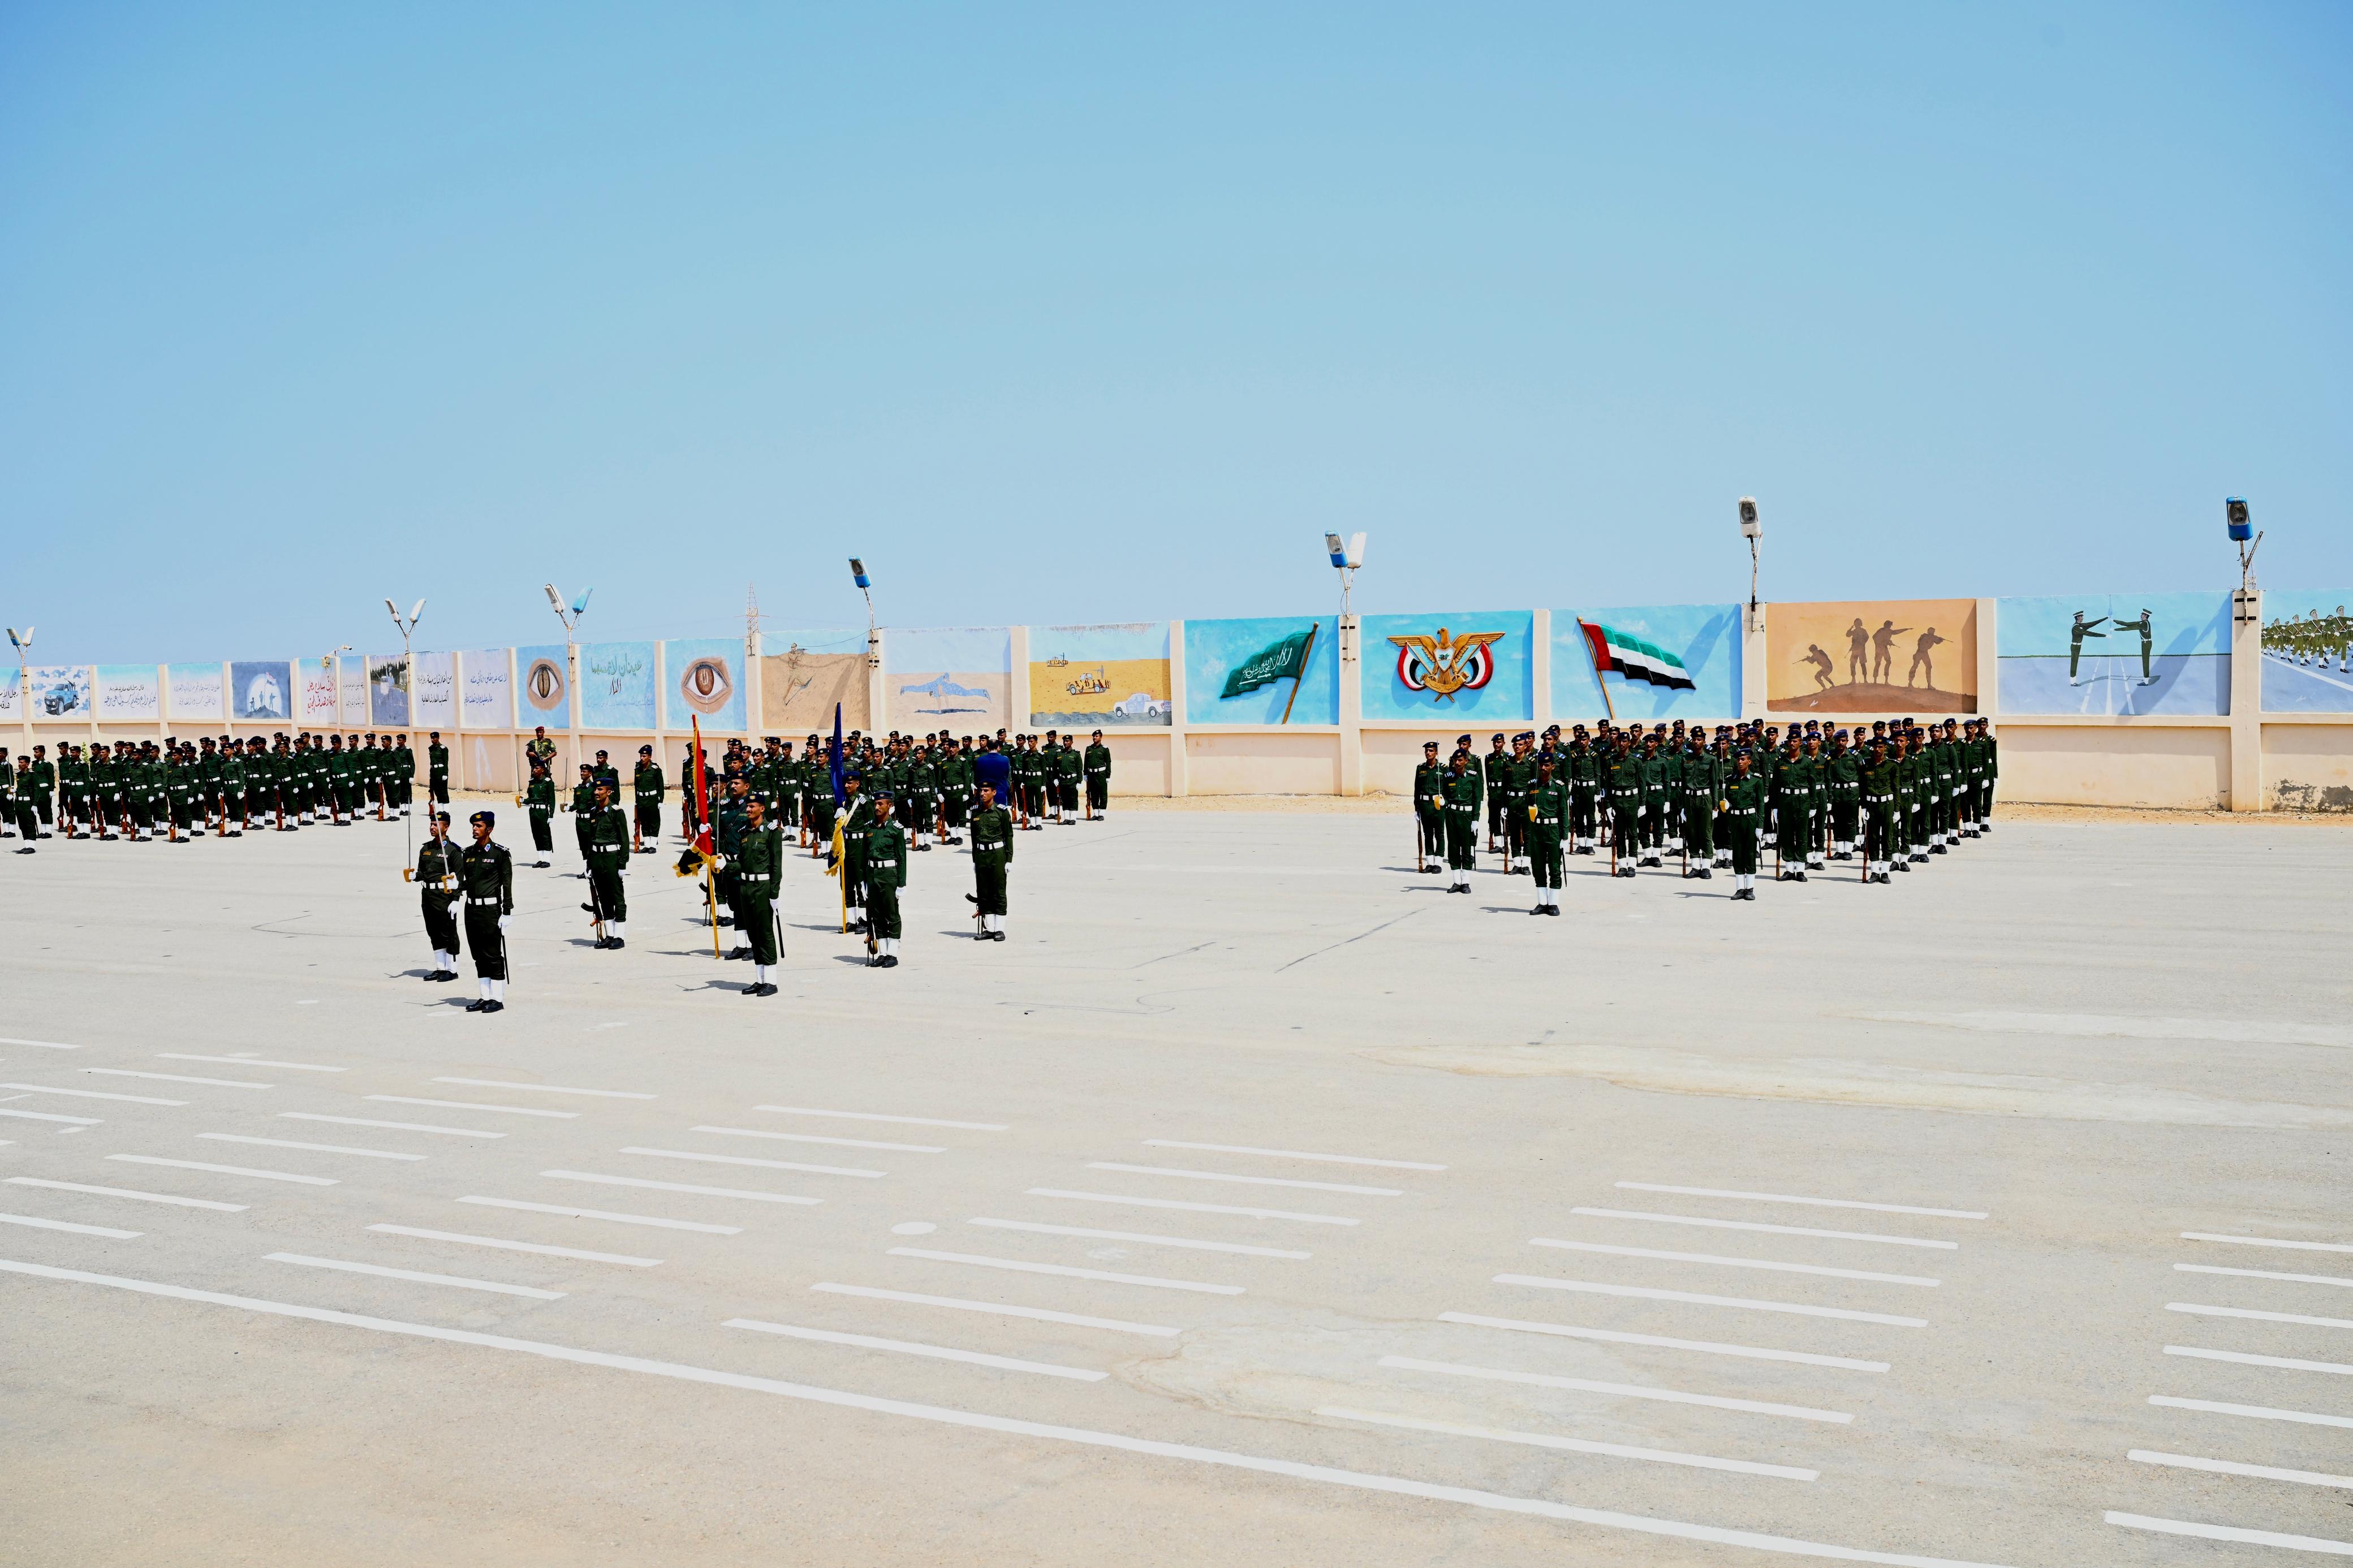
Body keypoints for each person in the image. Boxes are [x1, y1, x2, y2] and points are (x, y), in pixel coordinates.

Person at [714, 795, 784, 994]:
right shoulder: (745, 833)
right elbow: (741, 864)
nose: (749, 809)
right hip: (745, 888)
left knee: (765, 934)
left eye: (752, 806)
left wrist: (774, 894)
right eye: (748, 806)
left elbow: (777, 867)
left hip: (762, 888)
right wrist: (726, 865)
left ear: (762, 808)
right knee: (753, 934)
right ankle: (760, 979)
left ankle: (771, 981)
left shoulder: (771, 833)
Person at [458, 811, 514, 1012]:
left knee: (492, 954)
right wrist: (453, 887)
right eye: (473, 825)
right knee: (478, 954)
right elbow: (467, 883)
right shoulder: (468, 853)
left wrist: (507, 911)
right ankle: (485, 996)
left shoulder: (500, 854)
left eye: (479, 826)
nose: (475, 829)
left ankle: (497, 999)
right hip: (471, 909)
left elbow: (507, 884)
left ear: (489, 829)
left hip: (491, 910)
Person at [581, 780, 631, 949]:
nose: (596, 792)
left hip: (611, 858)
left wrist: (623, 864)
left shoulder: (616, 812)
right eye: (595, 789)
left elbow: (624, 839)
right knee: (603, 898)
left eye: (600, 789)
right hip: (596, 859)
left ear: (609, 792)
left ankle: (620, 936)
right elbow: (590, 840)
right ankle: (610, 935)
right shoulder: (594, 812)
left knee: (617, 897)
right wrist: (588, 864)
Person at [413, 811, 462, 979]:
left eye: (436, 825)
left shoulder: (454, 851)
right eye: (431, 824)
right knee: (433, 931)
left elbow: (459, 878)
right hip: (428, 894)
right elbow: (422, 872)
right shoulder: (426, 848)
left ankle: (452, 969)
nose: (432, 827)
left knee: (448, 932)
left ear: (446, 827)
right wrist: (415, 876)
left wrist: (456, 899)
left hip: (444, 895)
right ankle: (440, 967)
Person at [865, 792, 908, 967]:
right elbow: (863, 856)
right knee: (876, 915)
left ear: (889, 806)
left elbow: (902, 858)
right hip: (872, 875)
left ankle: (893, 953)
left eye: (880, 804)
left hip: (889, 876)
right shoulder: (869, 828)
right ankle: (882, 953)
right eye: (875, 804)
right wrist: (863, 881)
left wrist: (902, 884)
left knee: (891, 914)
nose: (876, 807)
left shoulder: (896, 829)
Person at [968, 780, 1013, 940]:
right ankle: (990, 928)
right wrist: (974, 860)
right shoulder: (975, 812)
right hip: (981, 855)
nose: (982, 794)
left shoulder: (1002, 812)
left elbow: (1009, 836)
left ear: (994, 792)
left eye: (986, 790)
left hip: (998, 855)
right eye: (981, 791)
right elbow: (974, 838)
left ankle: (999, 929)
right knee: (984, 892)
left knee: (998, 892)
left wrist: (1009, 859)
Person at [1524, 755, 1568, 915]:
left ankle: (1554, 903)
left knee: (1555, 868)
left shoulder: (1558, 787)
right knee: (1538, 867)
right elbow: (1525, 809)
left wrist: (1565, 836)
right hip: (1537, 831)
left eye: (1547, 765)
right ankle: (1543, 902)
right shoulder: (1531, 786)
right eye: (1541, 765)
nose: (1543, 768)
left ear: (1553, 767)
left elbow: (1564, 812)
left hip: (1553, 831)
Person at [1721, 752, 1765, 900]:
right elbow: (1727, 801)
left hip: (1750, 819)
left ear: (1749, 762)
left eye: (1743, 759)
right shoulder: (1730, 780)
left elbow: (1760, 804)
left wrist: (1760, 826)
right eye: (1738, 759)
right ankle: (1740, 888)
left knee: (1750, 853)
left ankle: (1750, 888)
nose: (1740, 762)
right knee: (1738, 853)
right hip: (1735, 819)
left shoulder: (1756, 781)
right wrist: (1726, 805)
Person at [1440, 749, 1481, 893]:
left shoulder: (1473, 777)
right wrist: (1442, 801)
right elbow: (1444, 795)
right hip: (1451, 814)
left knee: (1466, 848)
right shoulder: (1448, 777)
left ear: (1466, 761)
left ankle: (1466, 882)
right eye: (1455, 760)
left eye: (1460, 760)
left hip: (1467, 816)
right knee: (1453, 847)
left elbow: (1477, 799)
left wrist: (1476, 819)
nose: (1457, 763)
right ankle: (1456, 881)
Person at [1411, 741, 1446, 873]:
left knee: (1439, 834)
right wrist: (1417, 808)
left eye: (1431, 751)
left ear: (1436, 753)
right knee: (1427, 834)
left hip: (1438, 805)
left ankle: (1438, 863)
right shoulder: (1421, 768)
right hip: (1425, 805)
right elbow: (1417, 789)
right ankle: (1430, 863)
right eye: (1426, 751)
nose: (1428, 753)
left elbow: (1447, 788)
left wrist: (1446, 802)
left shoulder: (1443, 768)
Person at [632, 744, 665, 853]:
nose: (642, 758)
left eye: (644, 756)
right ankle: (646, 845)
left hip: (652, 799)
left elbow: (661, 786)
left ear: (649, 757)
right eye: (641, 756)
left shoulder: (655, 770)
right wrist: (637, 801)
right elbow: (636, 786)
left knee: (654, 822)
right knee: (644, 822)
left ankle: (653, 846)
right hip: (641, 800)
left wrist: (661, 801)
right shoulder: (638, 770)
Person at [523, 761, 556, 866]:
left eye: (537, 768)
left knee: (545, 835)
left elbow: (552, 800)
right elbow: (531, 799)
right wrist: (523, 801)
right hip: (533, 811)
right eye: (534, 768)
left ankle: (547, 860)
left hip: (543, 811)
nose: (534, 770)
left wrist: (551, 815)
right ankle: (541, 859)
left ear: (542, 770)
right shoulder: (532, 782)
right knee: (536, 834)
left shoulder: (548, 782)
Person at [1083, 731, 1112, 819]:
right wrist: (1085, 774)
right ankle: (1096, 813)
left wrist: (1108, 776)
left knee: (1102, 794)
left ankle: (1102, 813)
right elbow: (1086, 762)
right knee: (1093, 794)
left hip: (1101, 774)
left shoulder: (1104, 749)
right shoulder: (1089, 749)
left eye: (1096, 736)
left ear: (1101, 737)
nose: (1095, 738)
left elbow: (1108, 762)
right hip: (1091, 774)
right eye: (1094, 736)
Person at [427, 732, 451, 807]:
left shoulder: (443, 749)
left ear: (438, 738)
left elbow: (446, 762)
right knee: (437, 791)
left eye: (434, 738)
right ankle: (441, 809)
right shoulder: (431, 748)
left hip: (441, 771)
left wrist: (445, 774)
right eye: (431, 738)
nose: (432, 740)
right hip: (433, 771)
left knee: (443, 791)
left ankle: (446, 810)